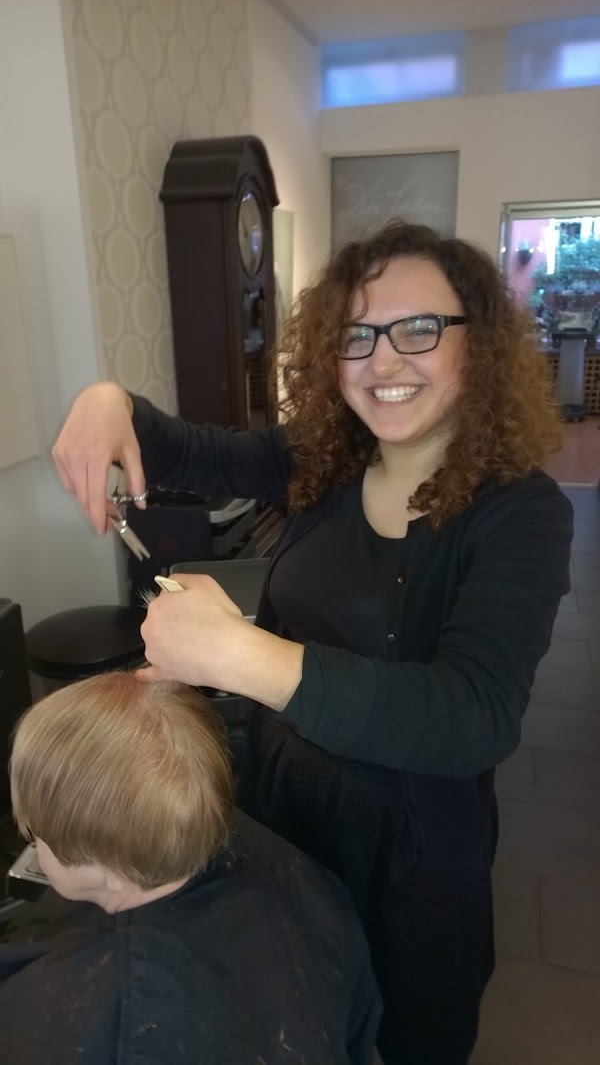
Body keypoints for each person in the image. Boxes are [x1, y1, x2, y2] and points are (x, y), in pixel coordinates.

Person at [52, 220, 574, 1065]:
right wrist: (108, 402)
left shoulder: (522, 512)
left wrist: (238, 654)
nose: (383, 360)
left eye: (418, 328)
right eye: (356, 335)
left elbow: (472, 715)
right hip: (282, 809)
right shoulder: (325, 460)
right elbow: (194, 452)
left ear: (477, 343)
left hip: (410, 857)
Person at [0, 672, 380, 1065]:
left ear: (118, 871)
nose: (34, 845)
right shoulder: (286, 867)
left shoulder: (113, 1024)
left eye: (37, 836)